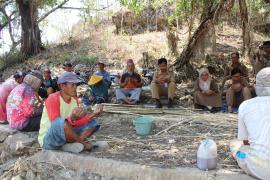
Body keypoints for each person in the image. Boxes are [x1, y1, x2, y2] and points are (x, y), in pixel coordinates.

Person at [38, 72, 101, 153]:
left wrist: (94, 114)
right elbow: (56, 123)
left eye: (76, 85)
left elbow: (76, 122)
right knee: (62, 123)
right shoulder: (53, 98)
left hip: (65, 132)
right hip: (49, 139)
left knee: (93, 123)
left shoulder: (74, 100)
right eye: (72, 85)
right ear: (62, 86)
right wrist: (72, 118)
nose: (75, 87)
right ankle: (82, 144)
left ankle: (68, 145)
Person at [230, 67, 270, 179]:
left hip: (259, 168)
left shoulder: (246, 106)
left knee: (235, 145)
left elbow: (246, 141)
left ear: (257, 85)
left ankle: (241, 157)